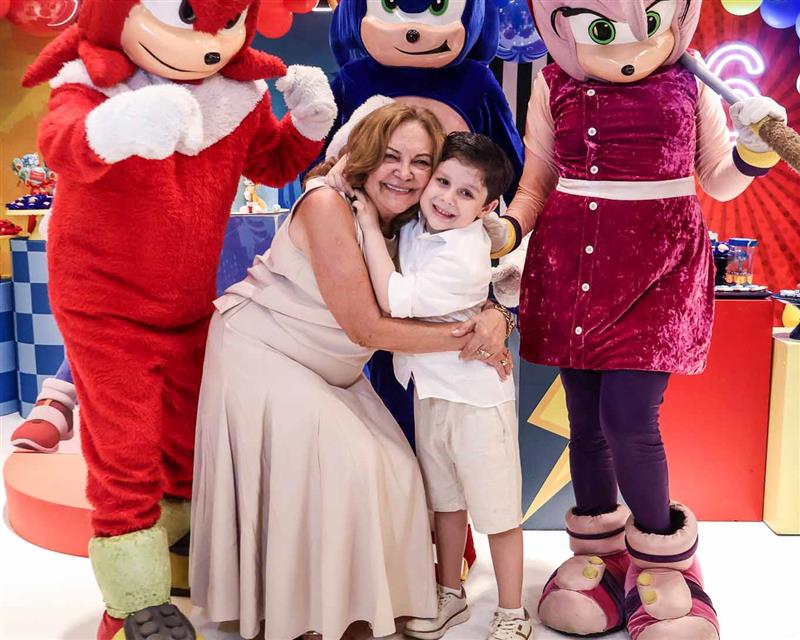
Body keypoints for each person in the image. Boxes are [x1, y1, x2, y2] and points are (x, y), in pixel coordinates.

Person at [20, 1, 336, 638]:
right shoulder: (93, 82)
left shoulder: (237, 95)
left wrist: (306, 124)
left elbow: (272, 164)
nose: (204, 41)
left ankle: (181, 544)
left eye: (226, 20)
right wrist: (117, 129)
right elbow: (61, 144)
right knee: (126, 450)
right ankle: (132, 600)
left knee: (191, 436)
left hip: (187, 303)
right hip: (104, 300)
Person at [488, 1, 788, 638]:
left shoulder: (691, 81)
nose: (625, 46)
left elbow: (716, 179)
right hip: (572, 263)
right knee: (585, 423)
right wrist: (508, 229)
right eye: (601, 27)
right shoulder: (553, 83)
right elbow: (538, 180)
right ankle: (602, 553)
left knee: (629, 420)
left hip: (660, 268)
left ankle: (666, 561)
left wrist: (754, 152)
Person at [189, 103, 512, 640]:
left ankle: (369, 604)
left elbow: (467, 275)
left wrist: (497, 315)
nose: (404, 173)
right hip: (265, 349)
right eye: (390, 156)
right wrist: (473, 341)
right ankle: (303, 612)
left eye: (420, 162)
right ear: (365, 154)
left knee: (400, 471)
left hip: (332, 365)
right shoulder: (327, 204)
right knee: (353, 463)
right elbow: (366, 328)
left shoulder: (417, 218)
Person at [353, 131, 529, 640]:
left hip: (476, 401)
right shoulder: (419, 226)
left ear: (487, 208)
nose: (447, 198)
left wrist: (368, 224)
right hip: (430, 391)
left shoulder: (463, 254)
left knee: (497, 511)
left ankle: (512, 611)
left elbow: (395, 299)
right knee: (445, 503)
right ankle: (450, 592)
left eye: (466, 192)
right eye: (443, 182)